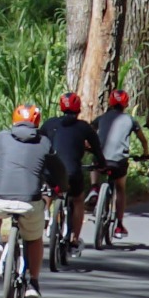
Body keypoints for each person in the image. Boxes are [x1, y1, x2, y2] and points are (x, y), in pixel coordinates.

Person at [0, 102, 70, 298]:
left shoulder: (1, 138)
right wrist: (61, 187)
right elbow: (58, 170)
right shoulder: (44, 142)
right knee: (34, 239)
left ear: (14, 119)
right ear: (37, 121)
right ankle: (33, 284)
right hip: (30, 203)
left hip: (1, 197)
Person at [40, 91, 102, 248]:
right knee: (78, 200)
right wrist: (102, 163)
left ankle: (45, 214)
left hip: (51, 172)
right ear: (79, 109)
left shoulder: (50, 124)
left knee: (48, 190)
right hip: (72, 172)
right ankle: (75, 237)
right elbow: (97, 149)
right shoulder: (84, 127)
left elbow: (39, 142)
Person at [94, 89, 137, 242]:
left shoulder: (102, 118)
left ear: (110, 103)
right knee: (120, 189)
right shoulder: (130, 120)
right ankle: (119, 224)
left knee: (96, 161)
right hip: (119, 162)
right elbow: (143, 139)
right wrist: (145, 152)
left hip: (102, 160)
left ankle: (94, 187)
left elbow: (91, 131)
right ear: (126, 103)